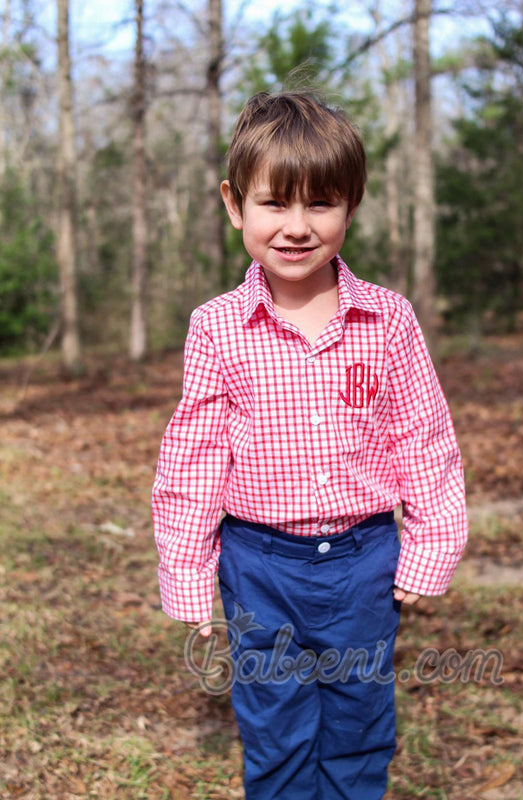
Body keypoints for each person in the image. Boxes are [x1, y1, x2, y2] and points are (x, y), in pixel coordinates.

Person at [152, 91, 468, 800]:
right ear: (234, 205)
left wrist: (430, 544)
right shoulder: (217, 327)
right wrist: (188, 574)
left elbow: (423, 435)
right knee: (276, 727)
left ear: (350, 205)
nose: (296, 227)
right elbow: (193, 456)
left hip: (362, 559)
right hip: (259, 565)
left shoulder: (386, 319)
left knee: (358, 719)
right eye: (274, 204)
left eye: (320, 204)